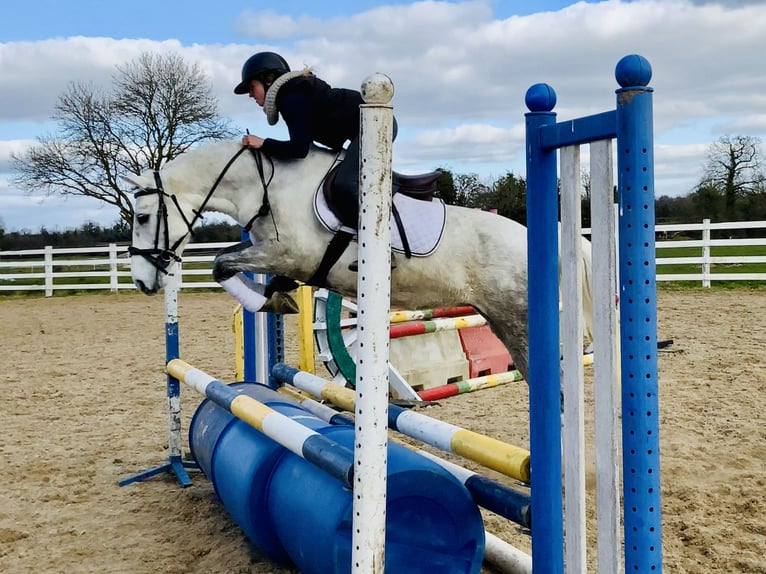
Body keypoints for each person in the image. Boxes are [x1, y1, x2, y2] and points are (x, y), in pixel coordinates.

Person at [235, 51, 396, 271]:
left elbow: (299, 149)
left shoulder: (292, 97)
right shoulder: (290, 95)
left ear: (268, 79)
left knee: (345, 184)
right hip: (360, 130)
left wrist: (263, 143)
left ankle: (383, 249)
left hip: (375, 125)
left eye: (251, 88)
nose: (250, 95)